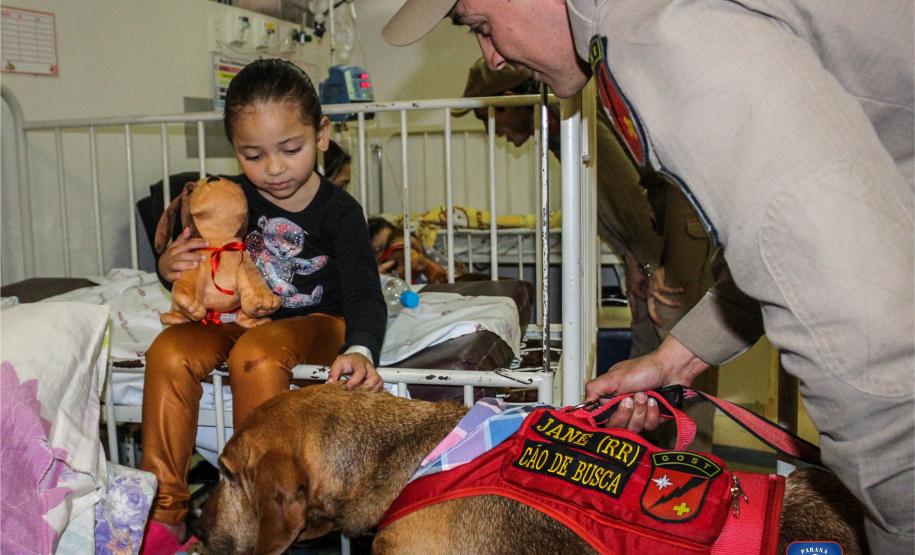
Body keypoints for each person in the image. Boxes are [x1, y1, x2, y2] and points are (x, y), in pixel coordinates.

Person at [382, 1, 914, 552]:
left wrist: (899, 524)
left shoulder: (658, 32)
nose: (492, 59)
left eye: (482, 28)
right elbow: (798, 239)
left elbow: (856, 323)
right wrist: (673, 359)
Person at [141, 58, 386, 549]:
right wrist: (167, 265)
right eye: (253, 155)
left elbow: (364, 293)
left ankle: (267, 507)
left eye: (290, 149)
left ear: (321, 135)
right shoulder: (228, 198)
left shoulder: (340, 212)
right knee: (168, 350)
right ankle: (165, 510)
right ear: (234, 149)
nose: (273, 169)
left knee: (257, 353)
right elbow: (197, 266)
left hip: (319, 321)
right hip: (238, 315)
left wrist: (360, 348)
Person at [459, 58, 721, 448]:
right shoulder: (561, 126)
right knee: (650, 351)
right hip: (658, 245)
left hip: (678, 243)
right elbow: (616, 207)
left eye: (488, 118)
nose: (490, 130)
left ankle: (692, 470)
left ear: (512, 100)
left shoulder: (581, 121)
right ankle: (652, 465)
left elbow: (632, 199)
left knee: (682, 360)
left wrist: (652, 262)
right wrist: (635, 260)